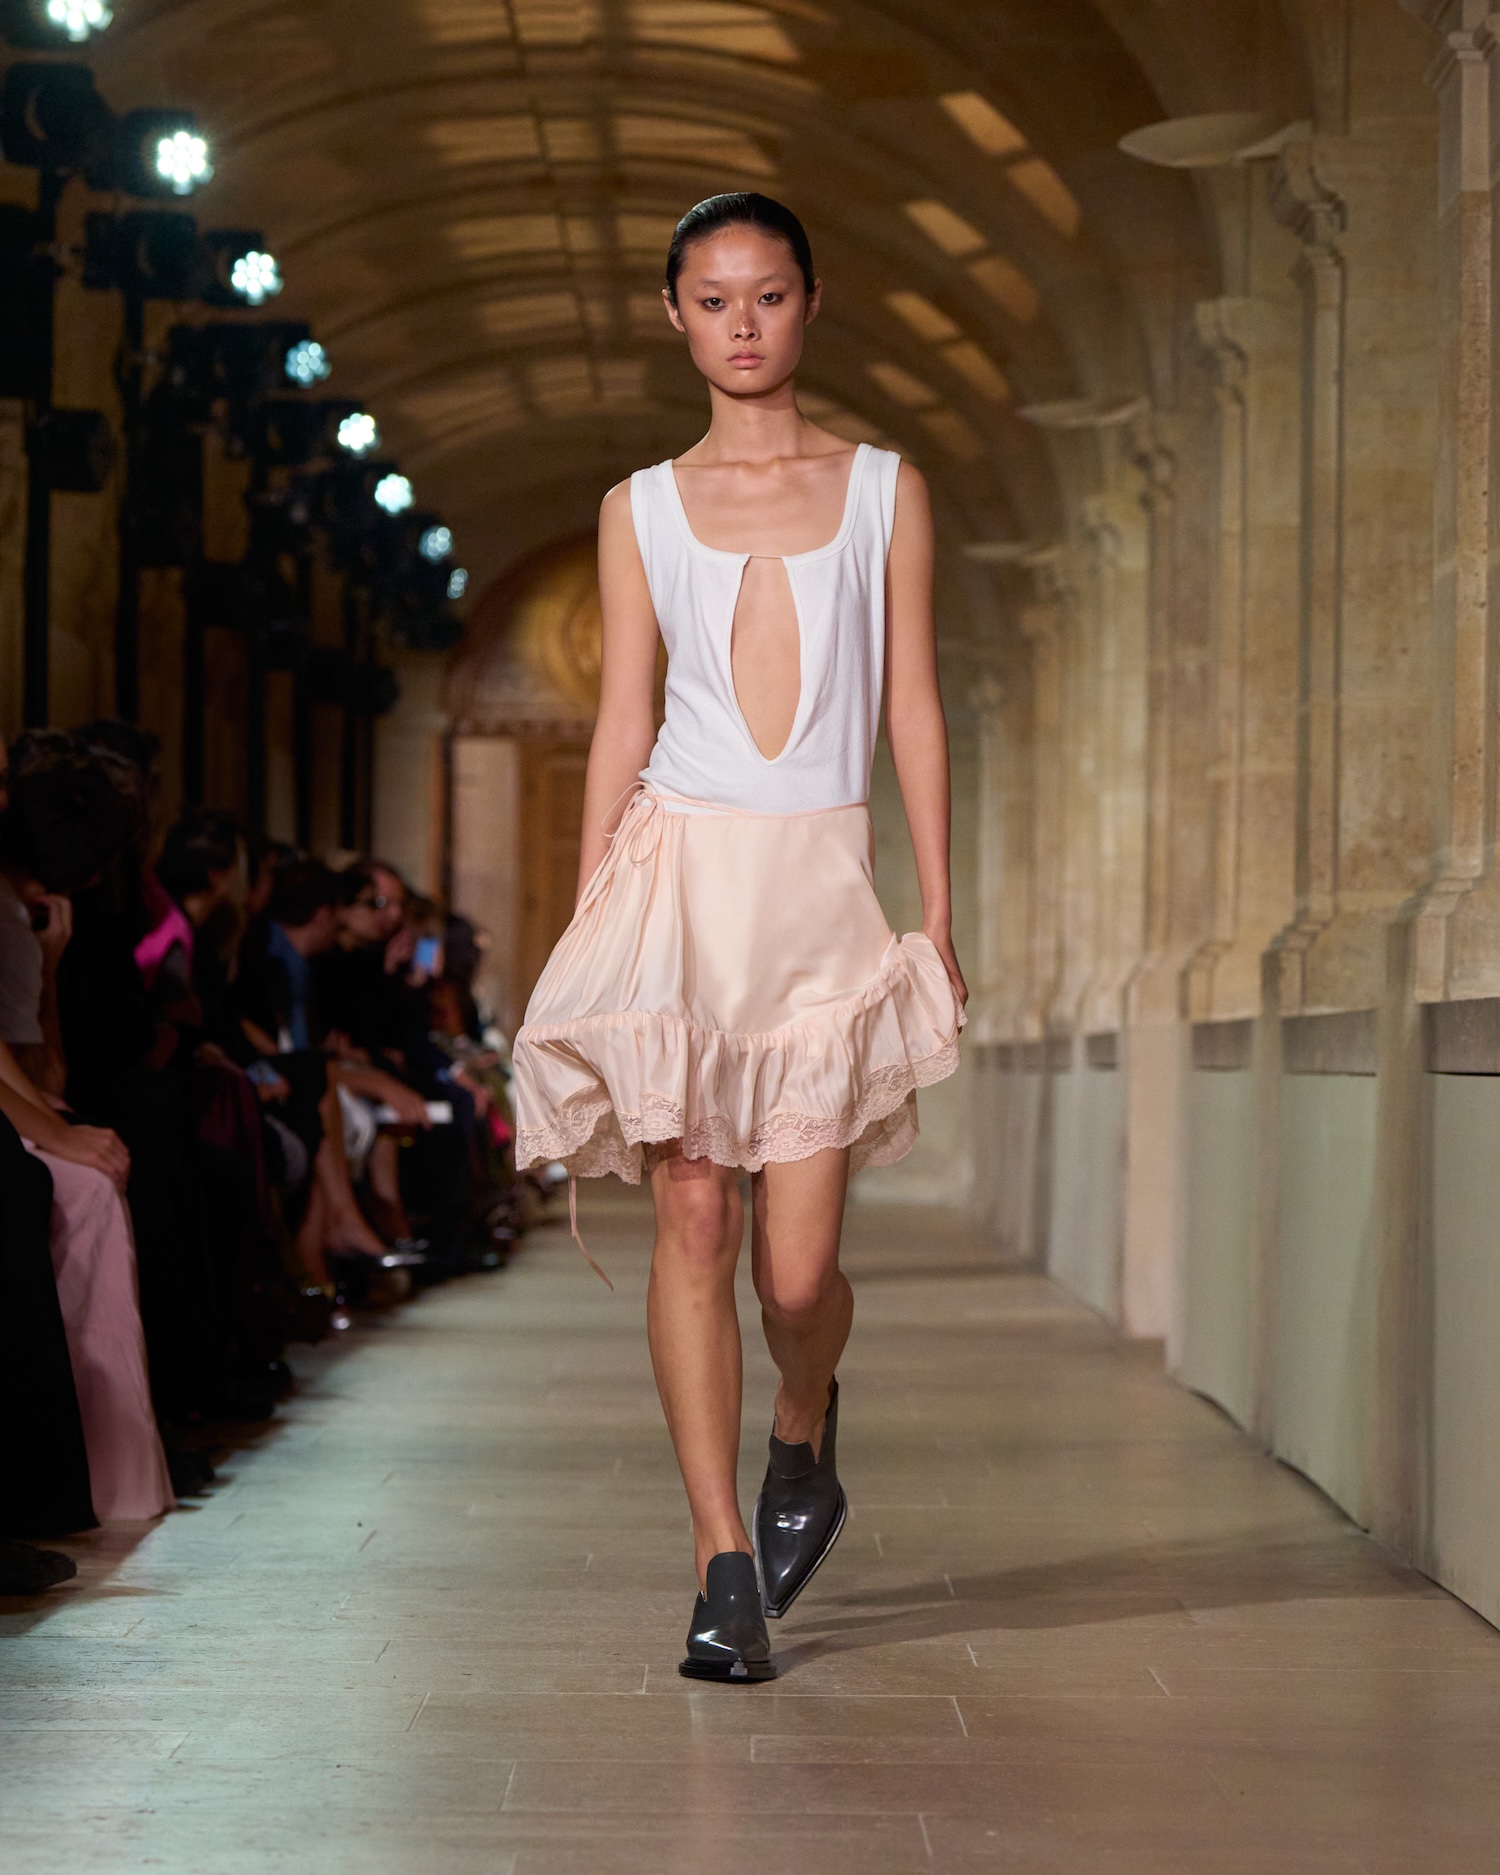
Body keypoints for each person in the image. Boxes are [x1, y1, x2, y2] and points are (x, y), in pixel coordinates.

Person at [511, 192, 966, 1681]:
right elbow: (623, 717)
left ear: (810, 301)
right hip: (680, 885)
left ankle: (801, 1426)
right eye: (713, 301)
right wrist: (592, 921)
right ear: (676, 316)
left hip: (822, 898)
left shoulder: (885, 489)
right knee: (694, 1220)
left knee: (797, 1279)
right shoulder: (638, 507)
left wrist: (937, 914)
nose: (743, 324)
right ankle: (720, 1563)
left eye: (767, 295)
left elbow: (911, 705)